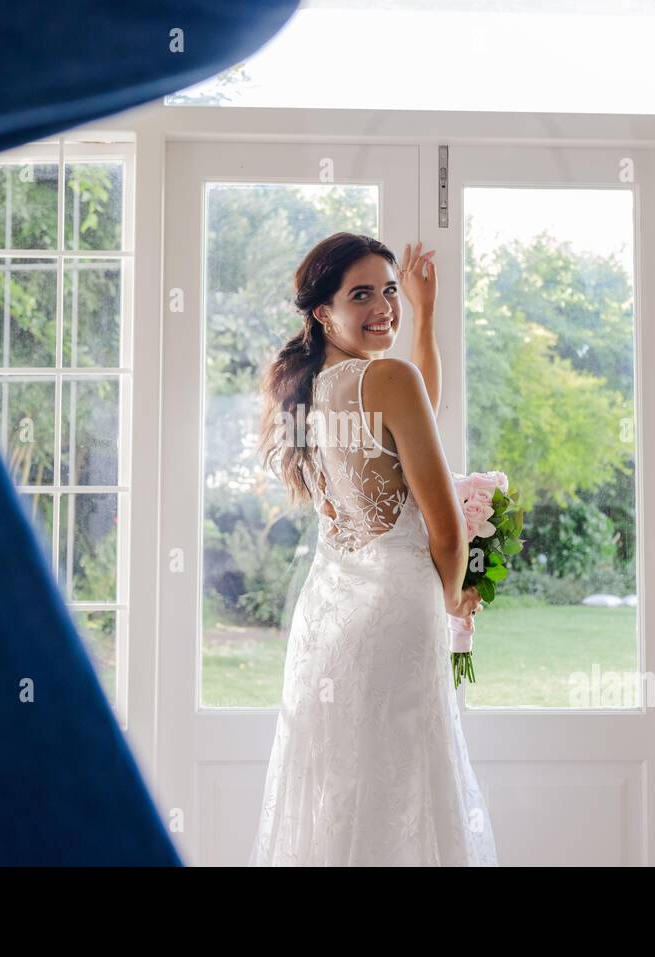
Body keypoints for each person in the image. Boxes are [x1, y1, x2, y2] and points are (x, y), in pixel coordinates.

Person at [249, 232, 497, 866]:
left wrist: (426, 313)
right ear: (323, 311)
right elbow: (447, 531)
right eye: (362, 295)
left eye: (390, 292)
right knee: (405, 790)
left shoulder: (306, 387)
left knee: (344, 790)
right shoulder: (387, 378)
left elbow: (420, 411)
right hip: (397, 613)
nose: (385, 307)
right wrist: (455, 600)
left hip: (329, 617)